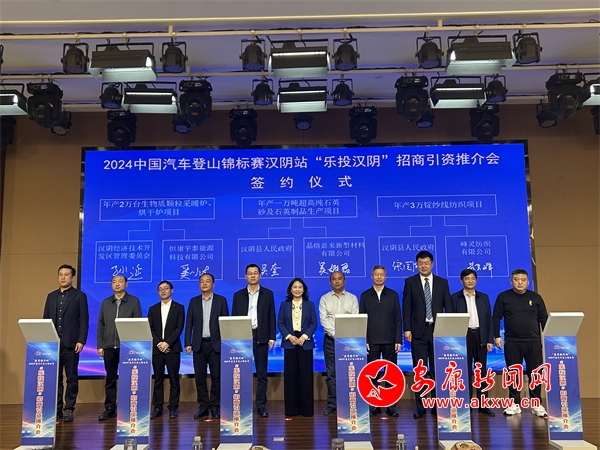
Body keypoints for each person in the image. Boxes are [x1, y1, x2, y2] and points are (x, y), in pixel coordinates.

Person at [402, 250, 452, 418]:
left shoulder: (442, 282)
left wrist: (447, 331)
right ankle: (421, 406)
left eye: (426, 263)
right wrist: (407, 329)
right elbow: (407, 307)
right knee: (420, 370)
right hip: (418, 332)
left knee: (438, 369)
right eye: (420, 263)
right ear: (417, 265)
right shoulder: (410, 282)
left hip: (438, 331)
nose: (424, 266)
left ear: (432, 264)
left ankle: (437, 405)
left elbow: (448, 307)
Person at [493, 269, 549, 417]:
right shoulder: (503, 297)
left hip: (533, 341)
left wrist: (549, 337)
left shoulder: (536, 297)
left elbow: (543, 318)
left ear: (528, 282)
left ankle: (536, 404)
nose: (520, 282)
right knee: (513, 374)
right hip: (512, 341)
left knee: (535, 373)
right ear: (511, 281)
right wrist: (496, 336)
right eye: (516, 279)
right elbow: (496, 317)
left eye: (523, 280)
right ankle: (514, 404)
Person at [43, 264, 89, 422]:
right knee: (55, 379)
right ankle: (56, 409)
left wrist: (81, 340)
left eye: (66, 274)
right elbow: (46, 319)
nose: (63, 277)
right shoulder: (51, 296)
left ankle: (69, 408)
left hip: (71, 343)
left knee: (71, 378)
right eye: (60, 274)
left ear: (73, 277)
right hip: (54, 343)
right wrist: (46, 340)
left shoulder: (79, 296)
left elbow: (84, 320)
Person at [232, 264, 276, 417]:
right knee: (242, 372)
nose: (252, 275)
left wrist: (271, 337)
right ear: (245, 276)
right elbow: (234, 317)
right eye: (249, 273)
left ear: (260, 275)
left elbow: (271, 316)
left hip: (261, 335)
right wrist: (235, 337)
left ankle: (261, 405)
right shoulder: (238, 295)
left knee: (261, 373)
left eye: (255, 273)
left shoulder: (268, 294)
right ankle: (242, 405)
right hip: (243, 336)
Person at [96, 275, 142, 421]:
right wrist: (100, 345)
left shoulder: (134, 301)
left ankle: (127, 408)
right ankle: (110, 408)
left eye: (120, 281)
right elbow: (101, 325)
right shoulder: (105, 302)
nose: (117, 284)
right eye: (114, 282)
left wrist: (134, 345)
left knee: (128, 379)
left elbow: (137, 325)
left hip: (127, 347)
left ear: (126, 284)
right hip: (109, 346)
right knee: (110, 379)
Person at [450, 269, 495, 417]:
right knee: (465, 372)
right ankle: (466, 405)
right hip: (464, 337)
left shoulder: (484, 297)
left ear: (476, 280)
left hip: (480, 336)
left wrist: (489, 339)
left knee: (481, 372)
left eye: (473, 278)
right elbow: (451, 319)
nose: (470, 281)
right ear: (461, 280)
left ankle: (483, 405)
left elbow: (489, 319)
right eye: (467, 278)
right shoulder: (454, 298)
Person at [359, 265, 402, 417]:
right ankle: (374, 406)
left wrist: (398, 339)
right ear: (372, 276)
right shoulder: (365, 295)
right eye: (376, 274)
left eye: (381, 274)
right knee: (372, 376)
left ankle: (391, 407)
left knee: (391, 375)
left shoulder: (393, 295)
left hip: (390, 340)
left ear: (385, 277)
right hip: (372, 341)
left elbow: (398, 318)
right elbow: (362, 319)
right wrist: (364, 339)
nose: (379, 277)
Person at [185, 273, 229, 420]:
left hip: (216, 344)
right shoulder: (193, 301)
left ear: (213, 284)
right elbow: (189, 324)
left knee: (217, 377)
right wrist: (188, 342)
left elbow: (225, 323)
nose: (204, 283)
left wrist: (225, 343)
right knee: (200, 376)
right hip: (198, 344)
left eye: (207, 281)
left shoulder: (221, 300)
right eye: (202, 281)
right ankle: (203, 406)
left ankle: (215, 406)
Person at [318, 271, 359, 416]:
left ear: (344, 281)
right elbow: (324, 320)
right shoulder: (324, 299)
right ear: (330, 282)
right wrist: (337, 335)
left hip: (348, 341)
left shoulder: (352, 298)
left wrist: (344, 336)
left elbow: (355, 318)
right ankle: (332, 404)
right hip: (330, 341)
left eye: (339, 279)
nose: (337, 281)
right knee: (331, 374)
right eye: (334, 279)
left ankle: (348, 403)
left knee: (348, 373)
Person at [277, 278, 318, 417]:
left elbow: (313, 323)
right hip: (290, 342)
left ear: (304, 289)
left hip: (305, 342)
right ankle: (291, 410)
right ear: (290, 289)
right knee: (290, 377)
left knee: (306, 377)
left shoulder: (310, 304)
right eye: (294, 287)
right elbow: (280, 323)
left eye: (300, 287)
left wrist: (304, 337)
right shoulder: (284, 304)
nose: (297, 289)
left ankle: (306, 410)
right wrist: (289, 336)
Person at [147, 280, 184, 419]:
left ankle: (173, 407)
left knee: (174, 379)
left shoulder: (179, 307)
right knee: (158, 379)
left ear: (171, 290)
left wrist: (167, 343)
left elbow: (179, 328)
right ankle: (157, 407)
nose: (163, 291)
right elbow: (150, 328)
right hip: (157, 349)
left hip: (172, 349)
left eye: (166, 288)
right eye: (160, 289)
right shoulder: (153, 309)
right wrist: (159, 343)